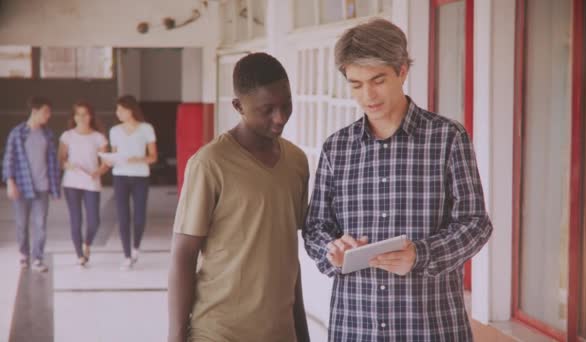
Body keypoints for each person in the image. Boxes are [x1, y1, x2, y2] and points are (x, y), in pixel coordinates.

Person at [302, 18, 493, 341]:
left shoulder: (447, 138)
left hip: (431, 328)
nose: (368, 95)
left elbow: (476, 223)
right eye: (356, 84)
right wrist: (331, 249)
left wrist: (420, 255)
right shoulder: (337, 148)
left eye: (378, 80)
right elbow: (315, 227)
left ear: (402, 71)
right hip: (355, 327)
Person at [168, 52, 310, 342]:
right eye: (267, 109)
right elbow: (183, 254)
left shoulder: (296, 161)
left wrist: (301, 331)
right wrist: (176, 337)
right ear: (238, 106)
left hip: (279, 333)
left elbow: (286, 255)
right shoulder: (210, 164)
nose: (280, 117)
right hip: (219, 332)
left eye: (286, 105)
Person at [2, 96, 61, 272]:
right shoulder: (17, 133)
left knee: (40, 224)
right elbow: (8, 159)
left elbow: (52, 162)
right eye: (46, 112)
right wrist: (10, 182)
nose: (48, 116)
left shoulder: (48, 134)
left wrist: (55, 187)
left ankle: (37, 258)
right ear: (35, 112)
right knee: (21, 224)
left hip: (42, 187)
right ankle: (24, 254)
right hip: (22, 187)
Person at [103, 95, 157, 270]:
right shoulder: (114, 131)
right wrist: (109, 160)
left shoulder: (146, 128)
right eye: (117, 110)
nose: (117, 113)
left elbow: (153, 157)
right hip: (120, 176)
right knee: (123, 216)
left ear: (130, 110)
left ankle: (136, 247)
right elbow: (115, 155)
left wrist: (138, 159)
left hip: (140, 176)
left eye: (121, 110)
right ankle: (126, 255)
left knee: (140, 216)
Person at [58, 101, 109, 267]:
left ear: (91, 116)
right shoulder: (67, 136)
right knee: (76, 219)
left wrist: (98, 171)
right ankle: (80, 255)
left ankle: (87, 243)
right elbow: (61, 159)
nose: (81, 117)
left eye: (85, 114)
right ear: (74, 117)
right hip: (71, 182)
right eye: (78, 114)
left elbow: (106, 162)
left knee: (94, 220)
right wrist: (68, 165)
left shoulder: (99, 137)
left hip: (92, 182)